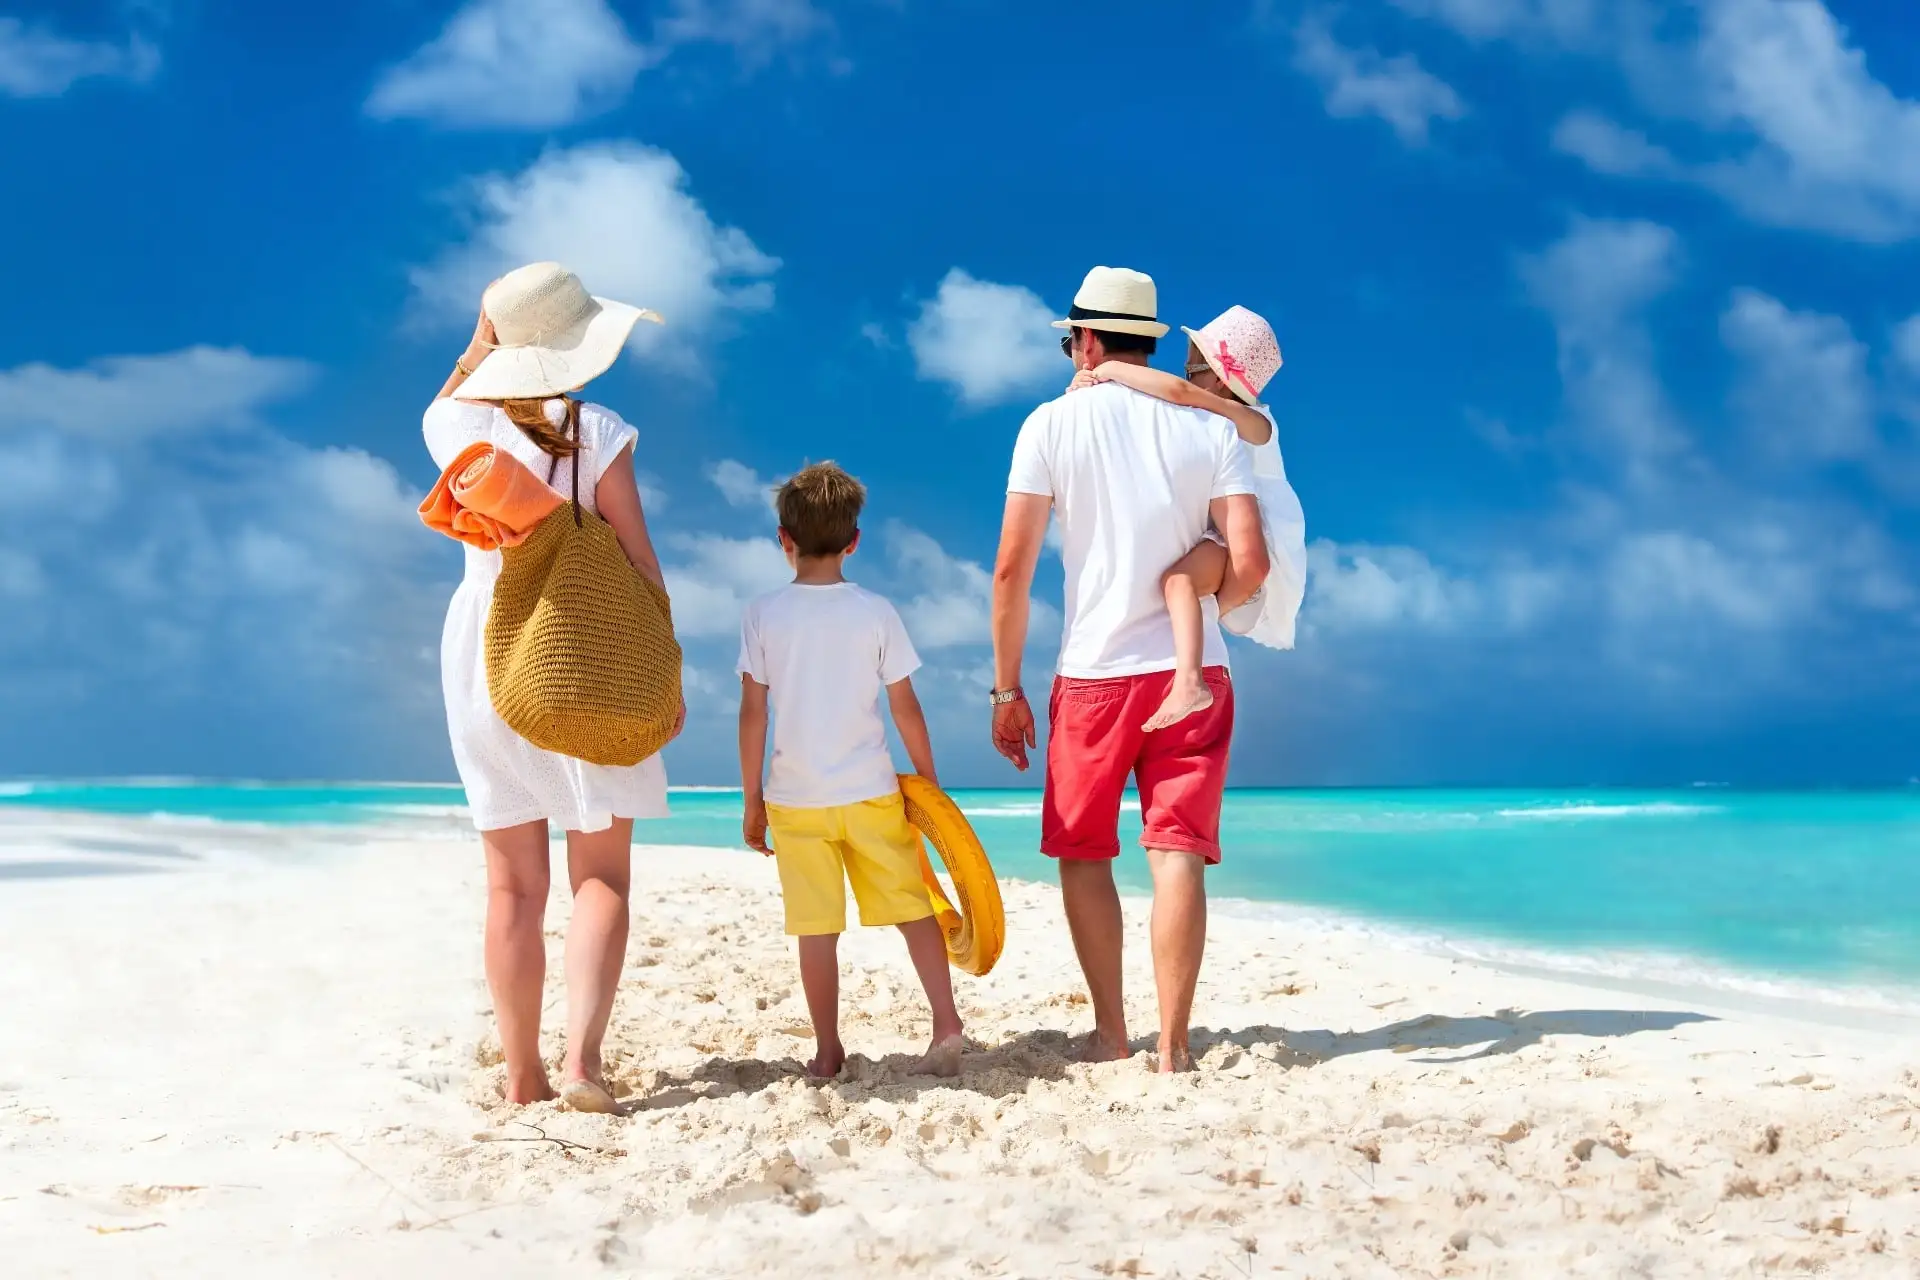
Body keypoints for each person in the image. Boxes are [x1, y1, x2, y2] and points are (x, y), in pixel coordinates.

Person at [990, 266, 1269, 1073]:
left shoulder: (1050, 424)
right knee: (1176, 849)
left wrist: (1006, 689)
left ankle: (1113, 1034)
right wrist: (1201, 595)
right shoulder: (1213, 428)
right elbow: (1246, 564)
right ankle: (1175, 1046)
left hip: (1095, 674)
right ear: (1149, 342)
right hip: (1196, 670)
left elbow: (1011, 572)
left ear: (1084, 340)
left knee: (1085, 851)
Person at [423, 261, 683, 1113]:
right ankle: (582, 1066)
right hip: (589, 651)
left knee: (512, 886)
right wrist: (663, 667)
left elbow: (445, 397)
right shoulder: (600, 430)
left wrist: (479, 341)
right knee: (600, 876)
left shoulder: (459, 428)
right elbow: (638, 558)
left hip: (489, 654)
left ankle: (521, 1074)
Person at [737, 463, 965, 1079]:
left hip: (794, 799)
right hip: (870, 791)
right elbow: (905, 705)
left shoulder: (762, 614)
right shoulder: (876, 611)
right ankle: (946, 1026)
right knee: (912, 908)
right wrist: (930, 785)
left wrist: (751, 799)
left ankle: (827, 1049)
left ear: (782, 538)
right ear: (854, 540)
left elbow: (753, 714)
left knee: (816, 930)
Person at [1071, 305, 1308, 729]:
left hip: (1253, 541)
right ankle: (1189, 678)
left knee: (1178, 582)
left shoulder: (1258, 424)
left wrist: (1110, 371)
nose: (1183, 374)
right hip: (1230, 535)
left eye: (1192, 367)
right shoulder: (1212, 421)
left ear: (1218, 378)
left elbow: (1177, 394)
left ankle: (1189, 682)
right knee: (1182, 587)